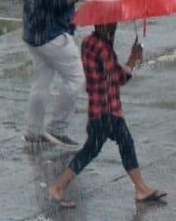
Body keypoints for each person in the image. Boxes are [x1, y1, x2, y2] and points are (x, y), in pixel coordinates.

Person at [46, 23, 166, 207]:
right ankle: (140, 188)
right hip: (107, 110)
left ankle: (60, 186)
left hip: (99, 109)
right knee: (118, 145)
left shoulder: (89, 42)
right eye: (112, 24)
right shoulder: (102, 48)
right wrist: (133, 59)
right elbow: (118, 77)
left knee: (98, 149)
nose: (115, 27)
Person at [21, 0, 90, 148]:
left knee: (41, 82)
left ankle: (32, 131)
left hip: (33, 34)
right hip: (52, 35)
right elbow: (57, 5)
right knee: (76, 79)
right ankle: (57, 128)